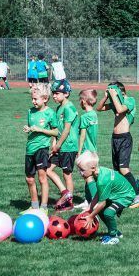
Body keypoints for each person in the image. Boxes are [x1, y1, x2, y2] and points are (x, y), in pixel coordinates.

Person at [77, 151, 135, 245]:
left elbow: (102, 203)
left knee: (108, 212)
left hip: (125, 196)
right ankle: (116, 232)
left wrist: (91, 216)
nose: (80, 172)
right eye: (79, 169)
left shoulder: (102, 180)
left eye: (82, 170)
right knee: (99, 210)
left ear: (93, 168)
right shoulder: (99, 173)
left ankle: (113, 237)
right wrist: (90, 208)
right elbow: (98, 194)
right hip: (117, 194)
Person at [98, 81, 139, 207]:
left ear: (121, 92)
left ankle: (137, 196)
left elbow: (120, 109)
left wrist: (114, 95)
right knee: (117, 170)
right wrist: (106, 96)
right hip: (115, 139)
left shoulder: (130, 100)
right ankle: (123, 194)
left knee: (124, 169)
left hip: (124, 139)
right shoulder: (116, 102)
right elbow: (99, 108)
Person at [23, 83, 59, 212]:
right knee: (29, 179)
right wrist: (28, 129)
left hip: (42, 149)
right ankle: (34, 206)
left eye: (35, 99)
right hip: (29, 149)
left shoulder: (50, 113)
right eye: (32, 99)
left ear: (45, 99)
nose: (33, 101)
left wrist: (41, 130)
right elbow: (31, 127)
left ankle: (44, 207)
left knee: (42, 177)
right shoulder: (30, 111)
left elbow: (56, 132)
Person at [49, 79, 80, 212]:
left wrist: (58, 145)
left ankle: (69, 204)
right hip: (59, 145)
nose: (54, 96)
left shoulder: (69, 108)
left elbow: (66, 130)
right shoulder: (58, 108)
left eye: (57, 93)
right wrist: (54, 144)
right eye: (53, 93)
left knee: (67, 174)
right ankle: (65, 193)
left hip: (68, 146)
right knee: (47, 169)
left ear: (66, 93)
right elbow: (57, 129)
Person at [75, 89, 99, 210]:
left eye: (80, 99)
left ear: (84, 101)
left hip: (86, 150)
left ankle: (94, 202)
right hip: (93, 149)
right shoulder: (94, 114)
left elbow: (82, 136)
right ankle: (87, 200)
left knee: (87, 176)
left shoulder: (84, 117)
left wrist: (79, 152)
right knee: (89, 176)